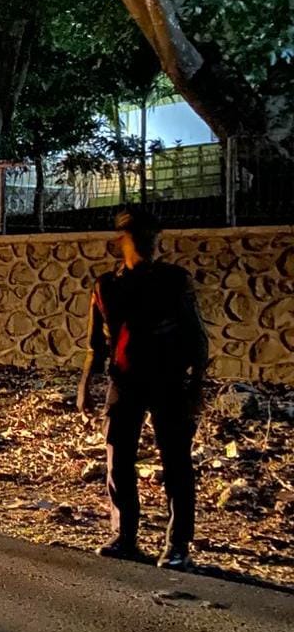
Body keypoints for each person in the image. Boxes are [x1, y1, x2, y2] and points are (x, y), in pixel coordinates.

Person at [77, 208, 209, 570]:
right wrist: (85, 384)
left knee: (176, 462)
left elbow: (197, 336)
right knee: (118, 459)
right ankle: (125, 536)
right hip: (125, 380)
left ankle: (178, 544)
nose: (150, 244)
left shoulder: (175, 280)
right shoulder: (106, 286)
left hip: (169, 380)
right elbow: (95, 343)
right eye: (142, 237)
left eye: (153, 237)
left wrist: (197, 384)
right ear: (123, 241)